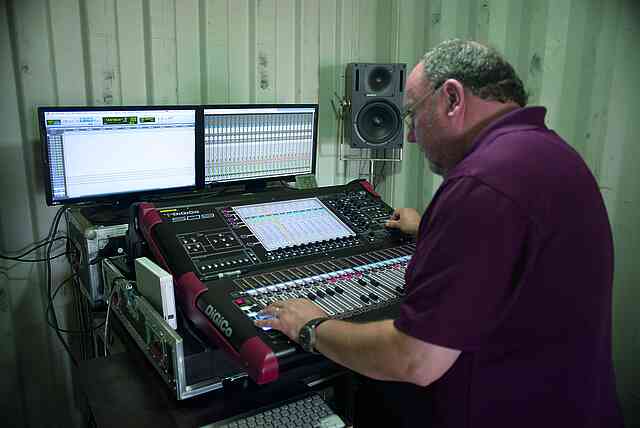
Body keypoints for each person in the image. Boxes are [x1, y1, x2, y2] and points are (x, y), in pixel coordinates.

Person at [256, 39, 622, 427]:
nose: (411, 136)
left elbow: (414, 359)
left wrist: (313, 327)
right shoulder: (551, 154)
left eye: (413, 114)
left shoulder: (483, 185)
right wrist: (429, 229)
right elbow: (515, 258)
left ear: (451, 99)